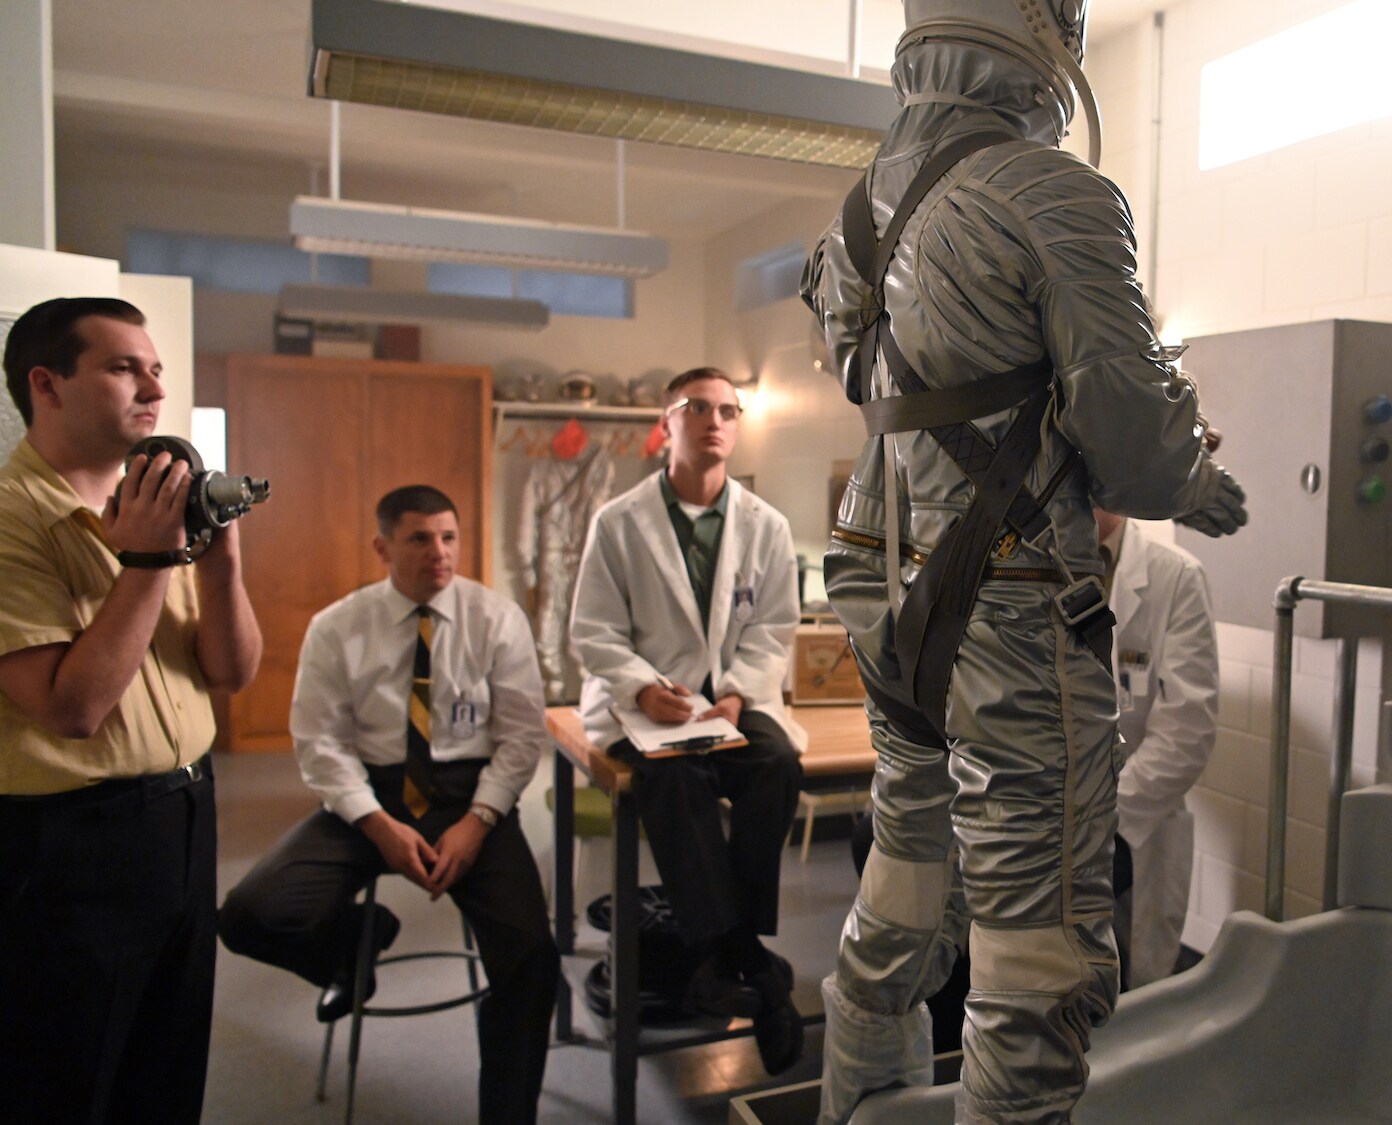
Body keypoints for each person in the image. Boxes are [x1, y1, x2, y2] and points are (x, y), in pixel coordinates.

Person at [801, 1, 1247, 1118]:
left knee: (903, 877)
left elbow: (874, 383)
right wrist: (1195, 476)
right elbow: (1138, 456)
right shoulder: (1057, 196)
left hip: (881, 577)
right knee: (1033, 961)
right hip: (1001, 596)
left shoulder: (862, 210)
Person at [217, 485, 557, 1125]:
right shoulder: (338, 626)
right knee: (248, 915)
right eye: (420, 538)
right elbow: (319, 743)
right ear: (383, 546)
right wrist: (376, 826)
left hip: (470, 798)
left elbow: (520, 736)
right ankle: (355, 944)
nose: (440, 552)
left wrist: (478, 823)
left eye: (449, 537)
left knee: (531, 961)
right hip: (369, 795)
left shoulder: (495, 618)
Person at [0, 297, 262, 1124]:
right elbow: (71, 708)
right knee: (70, 1076)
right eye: (123, 367)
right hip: (73, 842)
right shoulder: (13, 520)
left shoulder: (150, 500)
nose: (152, 386)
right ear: (47, 384)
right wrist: (149, 558)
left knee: (167, 1061)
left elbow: (230, 671)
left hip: (185, 814)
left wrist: (218, 569)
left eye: (154, 368)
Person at [569, 366, 806, 1073]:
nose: (716, 420)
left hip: (731, 701)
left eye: (729, 409)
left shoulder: (765, 525)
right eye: (697, 407)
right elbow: (593, 628)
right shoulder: (619, 522)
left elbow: (773, 626)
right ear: (665, 423)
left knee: (774, 763)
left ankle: (726, 948)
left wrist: (735, 693)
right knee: (674, 779)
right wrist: (641, 688)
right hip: (648, 706)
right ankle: (732, 955)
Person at [1096, 511, 1220, 990]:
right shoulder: (1025, 563)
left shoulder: (1176, 577)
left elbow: (1185, 735)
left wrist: (1097, 817)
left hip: (1128, 817)